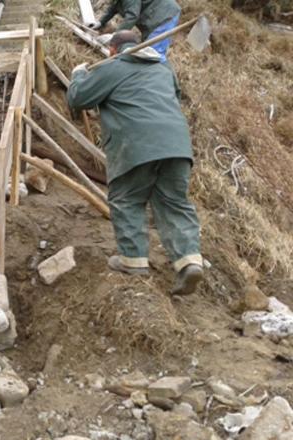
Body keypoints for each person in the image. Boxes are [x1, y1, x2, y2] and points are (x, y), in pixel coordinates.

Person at [66, 30, 203, 295]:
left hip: (136, 145)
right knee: (174, 202)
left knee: (127, 198)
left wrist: (79, 75)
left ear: (113, 50)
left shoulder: (112, 68)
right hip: (177, 145)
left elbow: (78, 98)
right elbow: (175, 93)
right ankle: (189, 261)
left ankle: (133, 261)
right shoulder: (164, 69)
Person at [87, 0, 181, 62]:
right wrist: (100, 22)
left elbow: (132, 16)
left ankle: (157, 81)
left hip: (165, 14)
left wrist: (115, 36)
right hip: (153, 15)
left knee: (154, 54)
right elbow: (114, 6)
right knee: (146, 52)